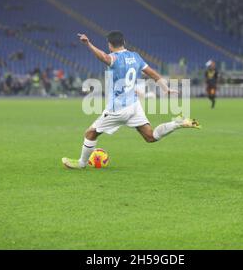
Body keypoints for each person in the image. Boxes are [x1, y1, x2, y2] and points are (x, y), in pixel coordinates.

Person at [62, 31, 201, 169]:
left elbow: (103, 57)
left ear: (110, 45)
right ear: (124, 43)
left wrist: (89, 44)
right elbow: (152, 73)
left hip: (117, 108)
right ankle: (177, 123)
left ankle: (81, 163)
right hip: (134, 106)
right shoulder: (136, 57)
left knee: (90, 133)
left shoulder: (113, 58)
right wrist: (165, 88)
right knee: (150, 136)